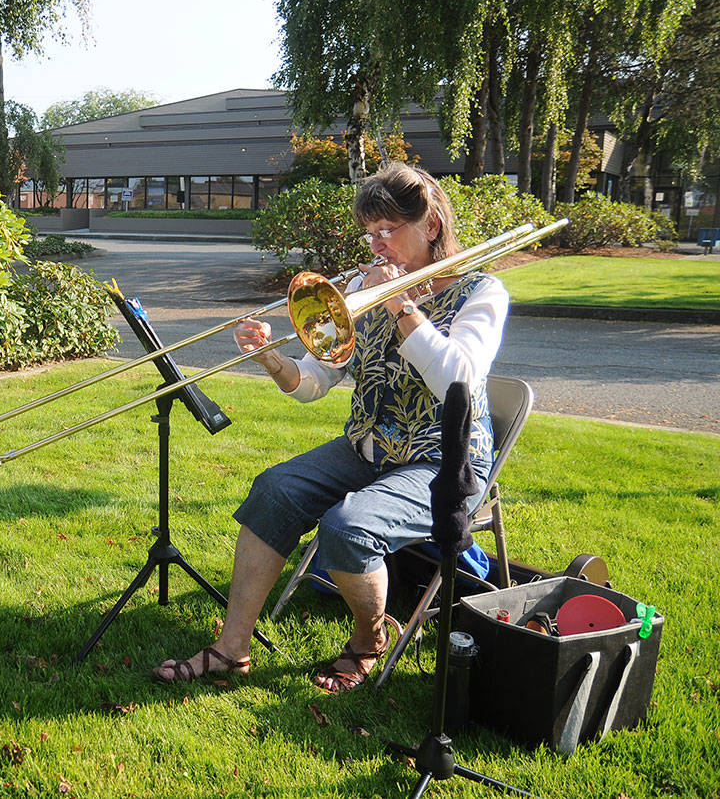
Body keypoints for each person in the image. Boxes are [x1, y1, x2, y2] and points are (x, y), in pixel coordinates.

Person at [154, 162, 509, 692]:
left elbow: (457, 377)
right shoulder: (362, 289)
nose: (376, 246)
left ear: (431, 226)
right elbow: (314, 381)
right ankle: (232, 650)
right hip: (369, 448)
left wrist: (400, 305)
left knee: (347, 526)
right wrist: (272, 359)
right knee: (274, 490)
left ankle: (369, 641)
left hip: (444, 461)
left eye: (387, 231)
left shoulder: (482, 291)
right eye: (370, 233)